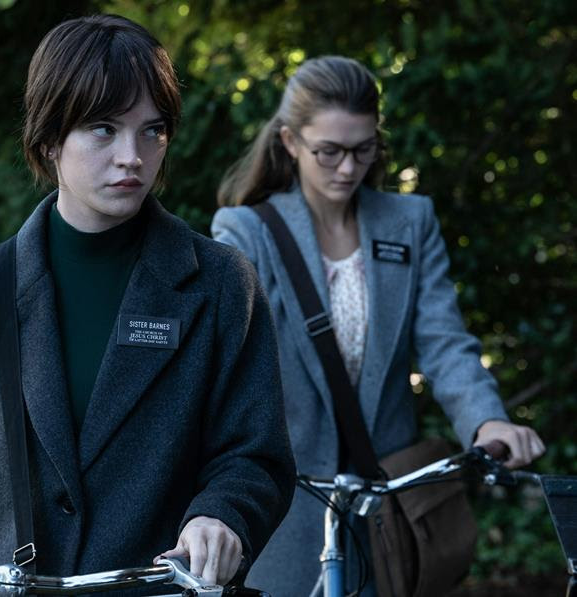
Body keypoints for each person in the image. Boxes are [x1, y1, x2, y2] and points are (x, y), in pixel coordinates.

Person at [0, 14, 296, 595]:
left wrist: (223, 514)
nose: (132, 155)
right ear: (49, 139)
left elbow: (254, 455)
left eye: (152, 131)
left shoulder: (222, 283)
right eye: (103, 128)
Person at [211, 55, 545, 596]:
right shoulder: (246, 232)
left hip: (391, 505)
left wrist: (487, 423)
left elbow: (445, 343)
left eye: (363, 149)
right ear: (291, 142)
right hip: (286, 507)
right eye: (330, 152)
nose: (348, 168)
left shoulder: (410, 222)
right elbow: (224, 365)